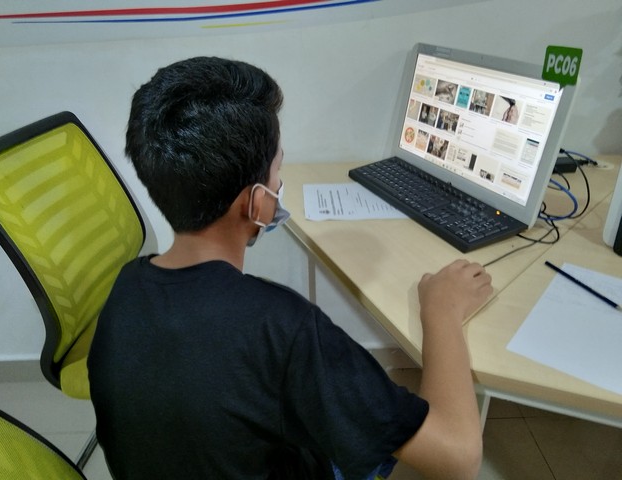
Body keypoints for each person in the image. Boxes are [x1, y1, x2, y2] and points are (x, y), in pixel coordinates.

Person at [88, 56, 492, 480]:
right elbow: (459, 457)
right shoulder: (282, 328)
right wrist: (441, 312)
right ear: (256, 202)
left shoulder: (125, 288)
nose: (279, 183)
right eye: (277, 168)